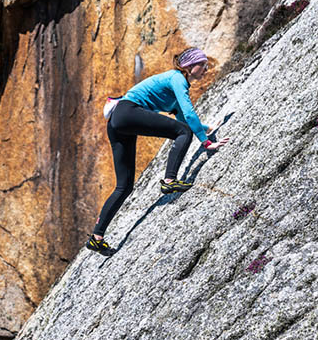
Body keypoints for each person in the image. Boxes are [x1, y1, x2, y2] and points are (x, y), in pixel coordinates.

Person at [86, 47, 229, 255]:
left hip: (118, 122)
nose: (206, 69)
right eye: (203, 65)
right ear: (189, 66)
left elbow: (182, 117)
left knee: (124, 186)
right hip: (128, 112)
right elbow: (188, 117)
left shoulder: (175, 84)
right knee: (183, 132)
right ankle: (169, 180)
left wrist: (206, 129)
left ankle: (97, 237)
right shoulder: (177, 79)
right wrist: (206, 143)